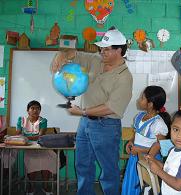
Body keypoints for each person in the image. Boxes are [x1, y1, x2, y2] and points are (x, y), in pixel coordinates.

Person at [51, 27, 133, 195]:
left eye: (106, 49)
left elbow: (111, 108)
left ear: (119, 50)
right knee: (83, 165)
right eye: (101, 47)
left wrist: (82, 112)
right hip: (85, 124)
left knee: (109, 171)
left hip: (107, 126)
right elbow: (74, 54)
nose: (102, 51)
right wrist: (62, 54)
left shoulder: (124, 77)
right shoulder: (97, 60)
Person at [121, 85, 171, 195]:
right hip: (135, 158)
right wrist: (131, 142)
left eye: (142, 97)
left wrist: (141, 150)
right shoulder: (139, 117)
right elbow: (136, 135)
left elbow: (161, 147)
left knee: (144, 187)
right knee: (131, 184)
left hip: (148, 161)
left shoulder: (158, 124)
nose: (139, 100)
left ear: (150, 104)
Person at [146, 108, 181, 194]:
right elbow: (170, 170)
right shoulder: (174, 150)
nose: (179, 136)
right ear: (170, 128)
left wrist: (158, 171)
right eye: (176, 129)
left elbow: (178, 185)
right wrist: (154, 161)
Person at [16, 100, 56, 195]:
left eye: (38, 108)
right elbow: (18, 134)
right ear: (28, 110)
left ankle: (45, 185)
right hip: (28, 148)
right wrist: (26, 137)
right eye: (32, 108)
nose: (35, 110)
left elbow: (40, 136)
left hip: (41, 147)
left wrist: (25, 136)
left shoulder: (43, 120)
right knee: (31, 160)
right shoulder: (21, 120)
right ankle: (31, 185)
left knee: (48, 159)